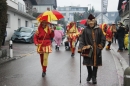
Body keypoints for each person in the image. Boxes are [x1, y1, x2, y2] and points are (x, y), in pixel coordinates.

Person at [78, 14, 106, 84]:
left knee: (95, 64)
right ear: (88, 22)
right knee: (88, 62)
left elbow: (103, 38)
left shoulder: (99, 29)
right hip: (88, 48)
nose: (91, 23)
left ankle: (94, 77)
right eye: (90, 22)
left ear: (94, 22)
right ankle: (90, 73)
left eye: (92, 22)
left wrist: (101, 45)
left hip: (96, 49)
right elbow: (81, 39)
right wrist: (80, 47)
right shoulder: (85, 30)